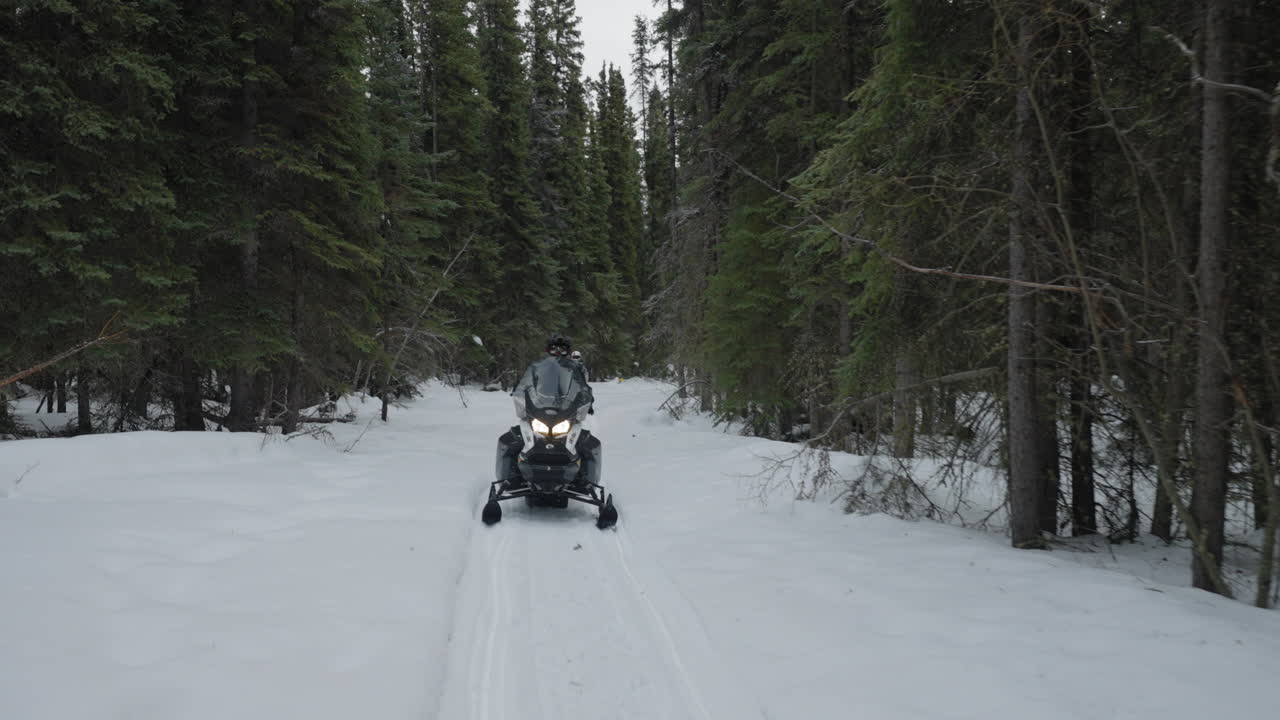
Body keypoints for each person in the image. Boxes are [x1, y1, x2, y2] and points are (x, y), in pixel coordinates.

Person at [495, 334, 601, 489]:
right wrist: (520, 392)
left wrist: (586, 399)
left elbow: (581, 386)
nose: (558, 352)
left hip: (564, 410)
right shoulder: (538, 367)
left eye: (562, 349)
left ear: (567, 351)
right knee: (512, 439)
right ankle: (510, 477)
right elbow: (527, 382)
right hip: (540, 409)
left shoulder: (574, 368)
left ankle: (586, 481)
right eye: (554, 348)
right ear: (548, 350)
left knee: (586, 443)